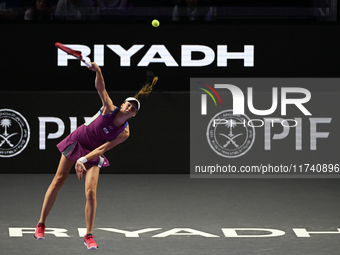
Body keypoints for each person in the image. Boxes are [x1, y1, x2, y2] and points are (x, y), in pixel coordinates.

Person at [34, 62, 158, 250]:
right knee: (58, 180)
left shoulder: (124, 133)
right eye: (128, 105)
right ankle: (41, 224)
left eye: (133, 109)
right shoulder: (109, 108)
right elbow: (101, 88)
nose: (129, 108)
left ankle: (89, 235)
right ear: (122, 104)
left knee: (91, 192)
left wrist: (83, 159)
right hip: (77, 141)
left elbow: (103, 149)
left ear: (134, 115)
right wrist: (98, 71)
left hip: (92, 152)